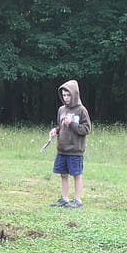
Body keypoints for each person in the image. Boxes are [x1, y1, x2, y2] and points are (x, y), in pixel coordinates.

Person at [48, 79, 91, 208]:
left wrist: (71, 124)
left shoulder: (81, 110)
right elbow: (60, 126)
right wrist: (55, 130)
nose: (66, 98)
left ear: (74, 94)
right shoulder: (61, 110)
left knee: (76, 175)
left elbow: (86, 129)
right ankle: (65, 199)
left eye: (68, 95)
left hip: (75, 150)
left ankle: (77, 200)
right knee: (63, 174)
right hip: (62, 149)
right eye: (64, 95)